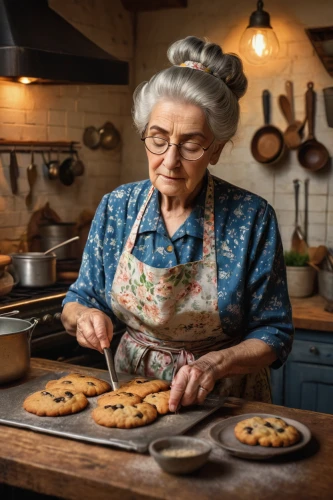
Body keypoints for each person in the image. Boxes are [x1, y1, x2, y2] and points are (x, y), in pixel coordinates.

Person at [61, 36, 293, 412]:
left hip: (225, 397)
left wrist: (214, 364)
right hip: (130, 393)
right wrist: (85, 317)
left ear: (215, 149)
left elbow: (275, 332)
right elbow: (80, 299)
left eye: (190, 144)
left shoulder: (251, 218)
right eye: (158, 138)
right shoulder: (116, 207)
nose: (169, 161)